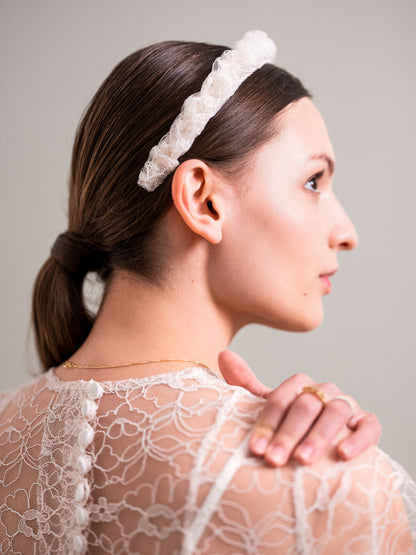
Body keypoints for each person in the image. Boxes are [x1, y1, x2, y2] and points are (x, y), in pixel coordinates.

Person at [0, 30, 414, 554]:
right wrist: (328, 470)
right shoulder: (325, 484)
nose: (347, 232)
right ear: (202, 200)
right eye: (313, 182)